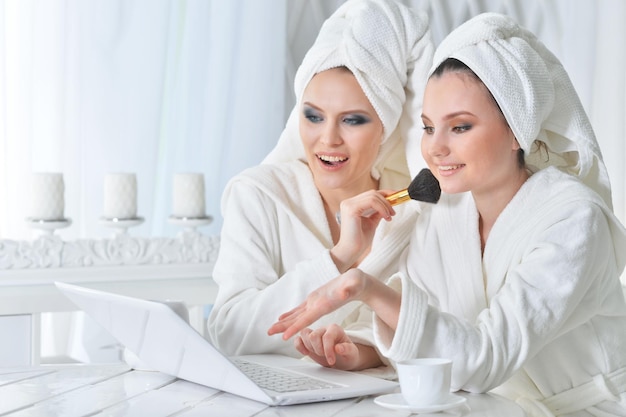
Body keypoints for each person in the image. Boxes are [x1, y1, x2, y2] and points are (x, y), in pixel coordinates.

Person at [268, 13, 626, 416]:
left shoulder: (573, 219)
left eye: (459, 128)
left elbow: (484, 356)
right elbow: (433, 323)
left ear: (516, 131)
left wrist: (365, 288)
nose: (435, 148)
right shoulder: (447, 210)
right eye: (427, 127)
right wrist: (362, 351)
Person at [207, 0, 434, 363]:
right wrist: (340, 257)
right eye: (313, 116)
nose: (328, 139)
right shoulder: (258, 195)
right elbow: (230, 333)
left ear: (386, 127)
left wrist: (358, 354)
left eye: (353, 120)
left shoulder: (413, 207)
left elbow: (435, 327)